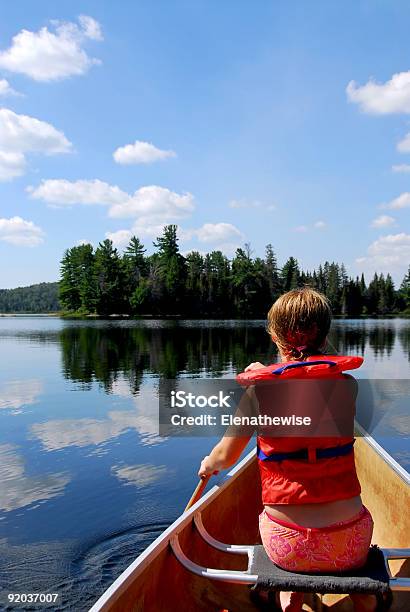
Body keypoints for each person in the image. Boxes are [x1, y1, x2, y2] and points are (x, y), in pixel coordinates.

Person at [198, 287, 375, 612]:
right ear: (324, 337)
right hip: (348, 544)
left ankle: (290, 599)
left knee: (286, 556)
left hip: (287, 545)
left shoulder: (258, 393)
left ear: (276, 337)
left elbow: (225, 457)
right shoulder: (349, 387)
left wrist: (209, 462)